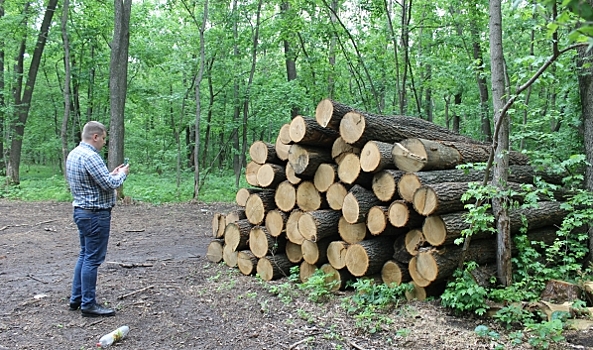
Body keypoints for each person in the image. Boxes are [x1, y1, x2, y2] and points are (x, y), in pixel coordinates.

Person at [65, 121, 130, 317]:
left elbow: (96, 181)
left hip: (82, 211)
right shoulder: (91, 156)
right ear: (95, 137)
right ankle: (88, 304)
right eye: (103, 138)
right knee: (92, 259)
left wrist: (111, 173)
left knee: (85, 255)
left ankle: (76, 299)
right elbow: (109, 184)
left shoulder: (74, 154)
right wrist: (122, 175)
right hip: (95, 214)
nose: (103, 142)